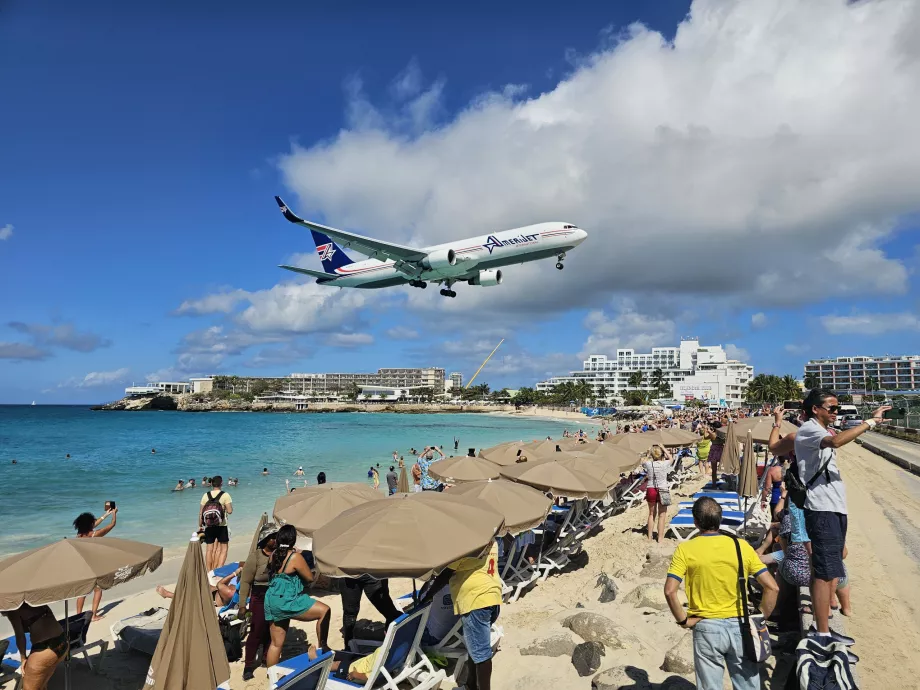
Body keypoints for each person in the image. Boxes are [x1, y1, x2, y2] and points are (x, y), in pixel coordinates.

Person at [793, 389, 888, 639]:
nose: (836, 413)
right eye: (832, 408)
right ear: (816, 409)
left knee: (834, 561)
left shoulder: (818, 430)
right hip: (822, 508)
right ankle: (823, 633)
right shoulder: (810, 429)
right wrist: (871, 422)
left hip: (833, 506)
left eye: (837, 408)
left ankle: (825, 622)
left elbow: (780, 445)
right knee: (824, 572)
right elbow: (835, 442)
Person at [664, 497, 779, 690]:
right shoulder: (740, 546)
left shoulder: (685, 549)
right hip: (740, 625)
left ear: (695, 522)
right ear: (720, 520)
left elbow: (670, 591)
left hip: (705, 625)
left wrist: (683, 620)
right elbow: (772, 587)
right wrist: (760, 617)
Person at [421, 540, 501, 690]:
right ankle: (471, 685)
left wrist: (428, 595)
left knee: (481, 654)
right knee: (475, 647)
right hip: (493, 595)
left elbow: (445, 574)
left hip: (476, 600)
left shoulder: (466, 545)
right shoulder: (491, 539)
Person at [263, 525, 331, 667]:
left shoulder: (273, 555)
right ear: (293, 540)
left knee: (276, 644)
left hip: (272, 599)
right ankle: (323, 647)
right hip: (287, 599)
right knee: (324, 611)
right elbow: (309, 578)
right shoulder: (295, 557)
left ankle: (273, 679)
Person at [238, 522, 279, 681]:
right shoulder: (255, 556)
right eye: (272, 537)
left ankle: (266, 659)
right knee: (256, 631)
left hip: (275, 595)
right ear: (265, 538)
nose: (275, 540)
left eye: (276, 537)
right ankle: (248, 665)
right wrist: (242, 605)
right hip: (259, 595)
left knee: (272, 630)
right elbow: (245, 582)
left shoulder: (280, 555)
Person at [2, 603, 67, 689]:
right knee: (42, 684)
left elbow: (20, 636)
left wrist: (23, 658)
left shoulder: (13, 608)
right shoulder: (33, 599)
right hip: (63, 642)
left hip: (45, 649)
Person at [73, 508, 117, 621]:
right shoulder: (95, 534)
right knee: (98, 589)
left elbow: (93, 524)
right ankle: (93, 615)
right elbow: (112, 525)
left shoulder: (79, 535)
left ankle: (79, 617)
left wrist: (105, 515)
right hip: (94, 566)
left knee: (82, 593)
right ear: (90, 524)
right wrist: (114, 514)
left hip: (81, 565)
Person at [339, 575, 402, 648]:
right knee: (350, 614)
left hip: (374, 573)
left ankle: (399, 638)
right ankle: (348, 647)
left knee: (389, 611)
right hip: (349, 575)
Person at [199, 476, 232, 572]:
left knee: (209, 549)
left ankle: (209, 571)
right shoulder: (225, 495)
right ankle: (218, 569)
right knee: (223, 548)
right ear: (221, 483)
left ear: (212, 484)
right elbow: (229, 511)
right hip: (222, 525)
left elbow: (201, 512)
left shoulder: (206, 495)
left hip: (208, 525)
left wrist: (200, 525)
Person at [643, 444, 671, 543]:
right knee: (662, 515)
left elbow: (643, 461)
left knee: (651, 514)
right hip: (663, 489)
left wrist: (648, 452)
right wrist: (663, 447)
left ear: (652, 455)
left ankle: (650, 537)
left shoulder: (648, 464)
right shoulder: (665, 463)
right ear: (661, 454)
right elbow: (671, 457)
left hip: (651, 489)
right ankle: (660, 539)